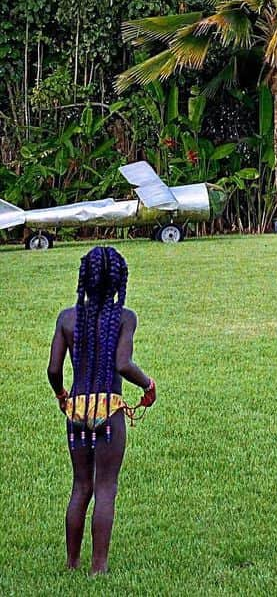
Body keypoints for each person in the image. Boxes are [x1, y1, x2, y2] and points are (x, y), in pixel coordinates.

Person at [47, 246, 156, 575]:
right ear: (119, 282)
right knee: (105, 486)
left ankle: (71, 563)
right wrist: (148, 385)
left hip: (77, 409)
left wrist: (62, 395)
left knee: (81, 485)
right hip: (108, 411)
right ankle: (99, 567)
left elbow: (53, 369)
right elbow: (122, 364)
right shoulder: (124, 318)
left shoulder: (67, 319)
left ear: (84, 280)